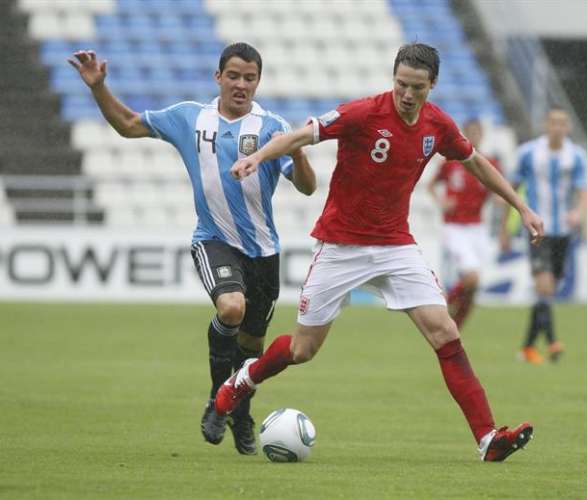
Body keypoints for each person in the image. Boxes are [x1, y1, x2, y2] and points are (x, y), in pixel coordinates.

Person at [216, 43, 544, 462]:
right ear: (393, 79)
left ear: (432, 86)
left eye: (417, 88)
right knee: (303, 350)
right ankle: (244, 378)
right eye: (401, 84)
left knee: (445, 332)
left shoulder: (438, 125)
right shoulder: (364, 113)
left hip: (395, 246)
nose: (407, 95)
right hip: (341, 245)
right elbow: (301, 135)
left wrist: (521, 206)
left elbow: (476, 162)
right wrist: (258, 157)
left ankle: (488, 439)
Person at [68, 43, 317, 455]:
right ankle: (217, 399)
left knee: (252, 348)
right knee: (231, 309)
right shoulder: (190, 117)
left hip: (264, 253)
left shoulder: (273, 127)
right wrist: (98, 89)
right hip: (213, 240)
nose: (241, 84)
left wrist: (299, 153)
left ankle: (239, 411)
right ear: (217, 77)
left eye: (249, 77)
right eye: (233, 75)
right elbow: (129, 125)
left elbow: (307, 188)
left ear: (258, 81)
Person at [499, 108, 587, 365]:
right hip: (538, 230)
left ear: (568, 127)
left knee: (547, 293)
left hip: (564, 232)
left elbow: (584, 192)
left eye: (562, 123)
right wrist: (504, 229)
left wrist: (578, 213)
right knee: (544, 286)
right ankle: (553, 342)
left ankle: (527, 347)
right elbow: (510, 190)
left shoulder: (577, 156)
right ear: (545, 125)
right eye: (553, 123)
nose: (558, 127)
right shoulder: (528, 153)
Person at [427, 119, 502, 330]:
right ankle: (441, 307)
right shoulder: (451, 162)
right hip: (454, 227)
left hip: (477, 228)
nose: (474, 136)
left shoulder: (489, 164)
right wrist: (442, 202)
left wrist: (498, 199)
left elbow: (496, 190)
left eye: (477, 132)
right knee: (471, 277)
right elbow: (432, 186)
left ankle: (455, 328)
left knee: (474, 287)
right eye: (470, 132)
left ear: (482, 135)